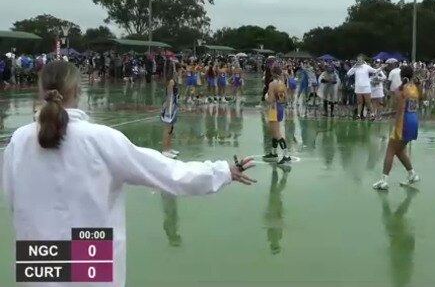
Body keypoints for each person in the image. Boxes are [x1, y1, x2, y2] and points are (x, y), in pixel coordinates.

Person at [0, 60, 256, 287]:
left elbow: (12, 195)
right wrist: (223, 171)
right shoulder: (100, 139)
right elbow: (167, 172)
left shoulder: (19, 141)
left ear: (41, 91)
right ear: (77, 92)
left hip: (38, 257)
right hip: (90, 256)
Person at [372, 65, 420, 190]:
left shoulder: (401, 90)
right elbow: (407, 107)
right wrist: (388, 113)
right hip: (414, 121)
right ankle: (412, 174)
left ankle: (384, 181)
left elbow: (399, 111)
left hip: (404, 123)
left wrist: (389, 118)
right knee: (399, 150)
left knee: (391, 149)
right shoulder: (414, 88)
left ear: (400, 76)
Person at [263, 64, 292, 166]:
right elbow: (287, 98)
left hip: (273, 109)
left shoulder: (272, 84)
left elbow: (270, 100)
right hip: (281, 107)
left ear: (272, 72)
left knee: (277, 133)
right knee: (275, 131)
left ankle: (286, 155)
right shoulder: (282, 83)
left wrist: (267, 96)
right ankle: (274, 153)